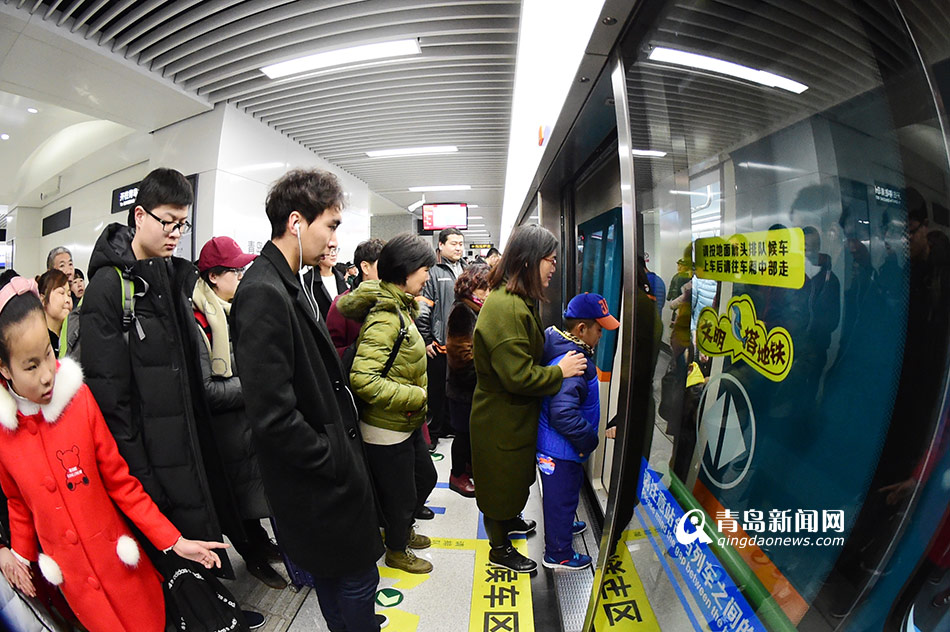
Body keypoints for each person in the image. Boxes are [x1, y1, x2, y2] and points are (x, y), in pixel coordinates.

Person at [0, 275, 227, 632]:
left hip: (124, 572)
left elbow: (121, 483)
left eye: (48, 354)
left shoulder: (78, 400)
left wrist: (173, 541)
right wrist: (19, 557)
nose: (46, 375)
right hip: (76, 589)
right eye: (31, 366)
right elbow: (17, 502)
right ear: (3, 369)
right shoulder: (4, 436)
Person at [231, 169, 385, 632]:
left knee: (341, 576)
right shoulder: (262, 291)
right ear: (296, 221)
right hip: (318, 477)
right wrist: (331, 455)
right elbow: (272, 414)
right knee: (355, 576)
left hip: (326, 469)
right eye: (331, 225)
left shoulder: (288, 281)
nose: (335, 238)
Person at [80, 168, 231, 576]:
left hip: (182, 441)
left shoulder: (168, 275)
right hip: (147, 454)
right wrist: (140, 477)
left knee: (197, 542)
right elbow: (111, 400)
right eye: (168, 221)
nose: (176, 233)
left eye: (182, 224)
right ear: (139, 215)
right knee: (169, 555)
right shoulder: (108, 287)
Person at [470, 225, 587, 573]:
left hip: (513, 417)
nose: (554, 267)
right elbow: (518, 376)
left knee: (514, 477)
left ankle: (510, 521)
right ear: (528, 261)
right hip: (499, 418)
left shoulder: (519, 300)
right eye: (550, 259)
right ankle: (499, 548)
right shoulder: (506, 309)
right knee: (500, 483)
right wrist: (560, 372)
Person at [338, 233, 437, 575]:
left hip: (404, 420)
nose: (427, 276)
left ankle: (400, 530)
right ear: (406, 271)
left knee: (425, 478)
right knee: (401, 496)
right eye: (424, 269)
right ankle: (396, 549)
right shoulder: (386, 317)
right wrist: (414, 395)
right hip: (385, 426)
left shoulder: (401, 306)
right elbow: (363, 378)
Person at [193, 237, 286, 591]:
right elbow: (207, 390)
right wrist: (254, 384)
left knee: (254, 495)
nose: (241, 276)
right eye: (235, 271)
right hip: (223, 433)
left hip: (246, 425)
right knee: (237, 501)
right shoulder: (199, 321)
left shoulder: (229, 311)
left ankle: (261, 544)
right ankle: (252, 556)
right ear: (214, 276)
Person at [537, 293, 619, 570]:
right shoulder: (574, 363)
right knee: (559, 500)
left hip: (561, 448)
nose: (601, 335)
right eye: (599, 329)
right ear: (582, 329)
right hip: (559, 450)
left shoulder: (567, 349)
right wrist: (589, 440)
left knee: (567, 494)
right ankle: (558, 554)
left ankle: (562, 528)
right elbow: (563, 413)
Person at [417, 228, 467, 447]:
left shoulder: (466, 269)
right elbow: (423, 307)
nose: (458, 248)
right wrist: (426, 338)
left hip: (461, 343)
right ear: (441, 245)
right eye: (453, 244)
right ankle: (433, 433)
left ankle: (449, 427)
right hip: (438, 343)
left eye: (460, 244)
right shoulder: (433, 271)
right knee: (436, 392)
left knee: (456, 389)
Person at [445, 264, 491, 498]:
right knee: (462, 434)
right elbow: (460, 355)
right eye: (485, 288)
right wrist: (482, 374)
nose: (488, 293)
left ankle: (468, 466)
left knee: (470, 433)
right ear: (472, 288)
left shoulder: (475, 309)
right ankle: (457, 475)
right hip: (463, 387)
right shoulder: (463, 312)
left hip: (469, 386)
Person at [327, 238, 385, 357]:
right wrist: (361, 348)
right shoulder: (342, 305)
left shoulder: (395, 299)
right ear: (365, 267)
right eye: (383, 265)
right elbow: (330, 353)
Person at [36, 270, 72, 358]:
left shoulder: (70, 336)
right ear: (43, 300)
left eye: (69, 294)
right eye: (61, 293)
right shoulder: (38, 341)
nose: (67, 300)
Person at [308, 238, 347, 320]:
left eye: (335, 250)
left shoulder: (340, 278)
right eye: (329, 250)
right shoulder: (309, 280)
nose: (333, 254)